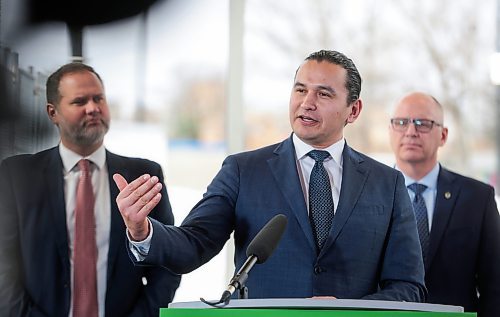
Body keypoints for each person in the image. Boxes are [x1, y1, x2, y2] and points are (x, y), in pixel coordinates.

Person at [115, 50, 426, 301]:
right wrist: (142, 231)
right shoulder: (243, 170)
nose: (307, 102)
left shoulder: (388, 183)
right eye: (301, 90)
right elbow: (193, 244)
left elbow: (408, 286)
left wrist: (347, 311)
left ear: (353, 111)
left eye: (324, 94)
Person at [0, 62, 180, 317]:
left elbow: (167, 262)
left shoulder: (144, 176)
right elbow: (4, 268)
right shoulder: (17, 176)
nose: (93, 108)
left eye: (99, 98)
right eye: (79, 101)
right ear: (53, 113)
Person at [388, 92, 500, 316]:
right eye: (401, 123)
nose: (411, 132)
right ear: (390, 130)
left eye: (423, 124)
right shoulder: (366, 194)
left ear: (443, 135)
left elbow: (495, 284)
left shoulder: (478, 198)